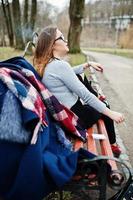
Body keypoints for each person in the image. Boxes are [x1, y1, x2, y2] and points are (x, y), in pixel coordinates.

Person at [33, 26, 125, 156]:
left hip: (64, 116)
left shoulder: (49, 64)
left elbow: (68, 73)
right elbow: (85, 96)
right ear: (53, 45)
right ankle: (114, 147)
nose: (66, 41)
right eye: (62, 38)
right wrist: (111, 114)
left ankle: (112, 142)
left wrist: (87, 65)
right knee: (105, 108)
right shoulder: (59, 65)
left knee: (80, 79)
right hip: (76, 117)